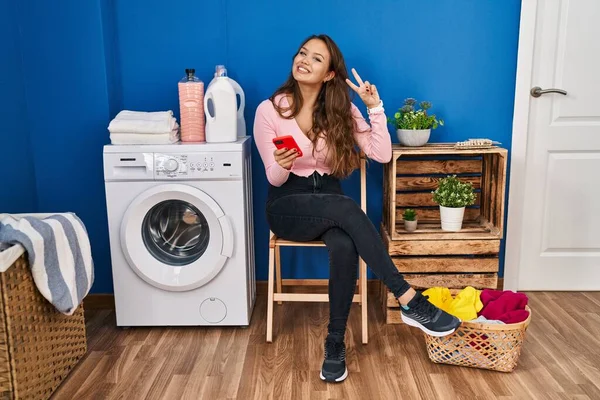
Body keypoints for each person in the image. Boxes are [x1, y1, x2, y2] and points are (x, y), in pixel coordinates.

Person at [253, 34, 461, 383]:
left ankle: (335, 343)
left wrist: (374, 108)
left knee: (345, 242)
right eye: (303, 53)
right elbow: (274, 179)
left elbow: (381, 154)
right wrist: (282, 163)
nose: (304, 60)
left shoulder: (341, 111)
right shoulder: (269, 109)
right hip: (288, 205)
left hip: (332, 205)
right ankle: (410, 299)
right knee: (347, 208)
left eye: (316, 58)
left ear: (330, 74)